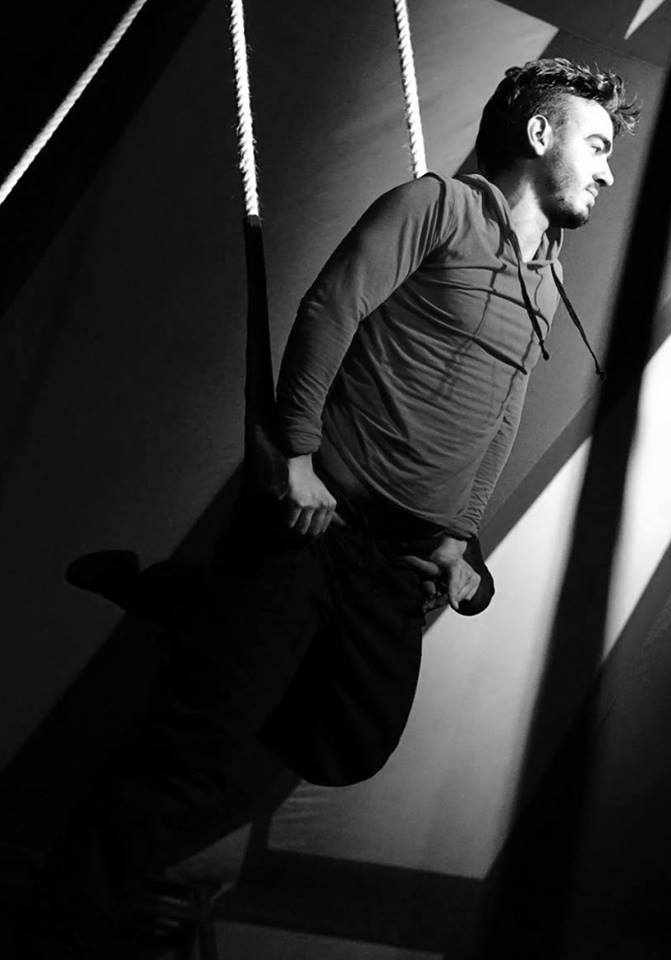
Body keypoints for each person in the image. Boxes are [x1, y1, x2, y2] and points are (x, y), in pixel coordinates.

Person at [17, 57, 637, 958]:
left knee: (352, 743)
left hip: (393, 556)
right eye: (599, 144)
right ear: (540, 135)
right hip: (315, 521)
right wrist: (298, 456)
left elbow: (502, 413)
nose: (609, 170)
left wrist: (459, 537)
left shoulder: (546, 272)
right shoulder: (437, 206)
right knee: (191, 761)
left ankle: (193, 606)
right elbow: (331, 308)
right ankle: (52, 932)